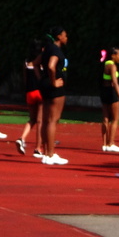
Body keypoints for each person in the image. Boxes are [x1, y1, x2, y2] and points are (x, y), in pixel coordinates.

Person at [38, 27, 70, 166]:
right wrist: (53, 82)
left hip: (45, 86)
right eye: (65, 35)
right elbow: (51, 66)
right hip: (54, 87)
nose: (66, 38)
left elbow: (34, 64)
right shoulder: (55, 50)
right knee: (53, 120)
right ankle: (50, 154)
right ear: (59, 37)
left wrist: (42, 80)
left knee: (46, 120)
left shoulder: (47, 49)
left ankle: (46, 152)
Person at [16, 39, 44, 157]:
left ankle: (22, 138)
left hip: (29, 92)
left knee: (31, 119)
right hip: (40, 92)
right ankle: (38, 148)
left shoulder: (27, 62)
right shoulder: (42, 61)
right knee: (40, 121)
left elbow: (25, 78)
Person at [100, 47, 119, 152]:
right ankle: (111, 143)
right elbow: (115, 83)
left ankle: (105, 144)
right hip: (111, 92)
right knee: (115, 118)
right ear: (113, 56)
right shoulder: (112, 66)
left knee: (106, 118)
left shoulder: (105, 65)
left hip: (104, 91)